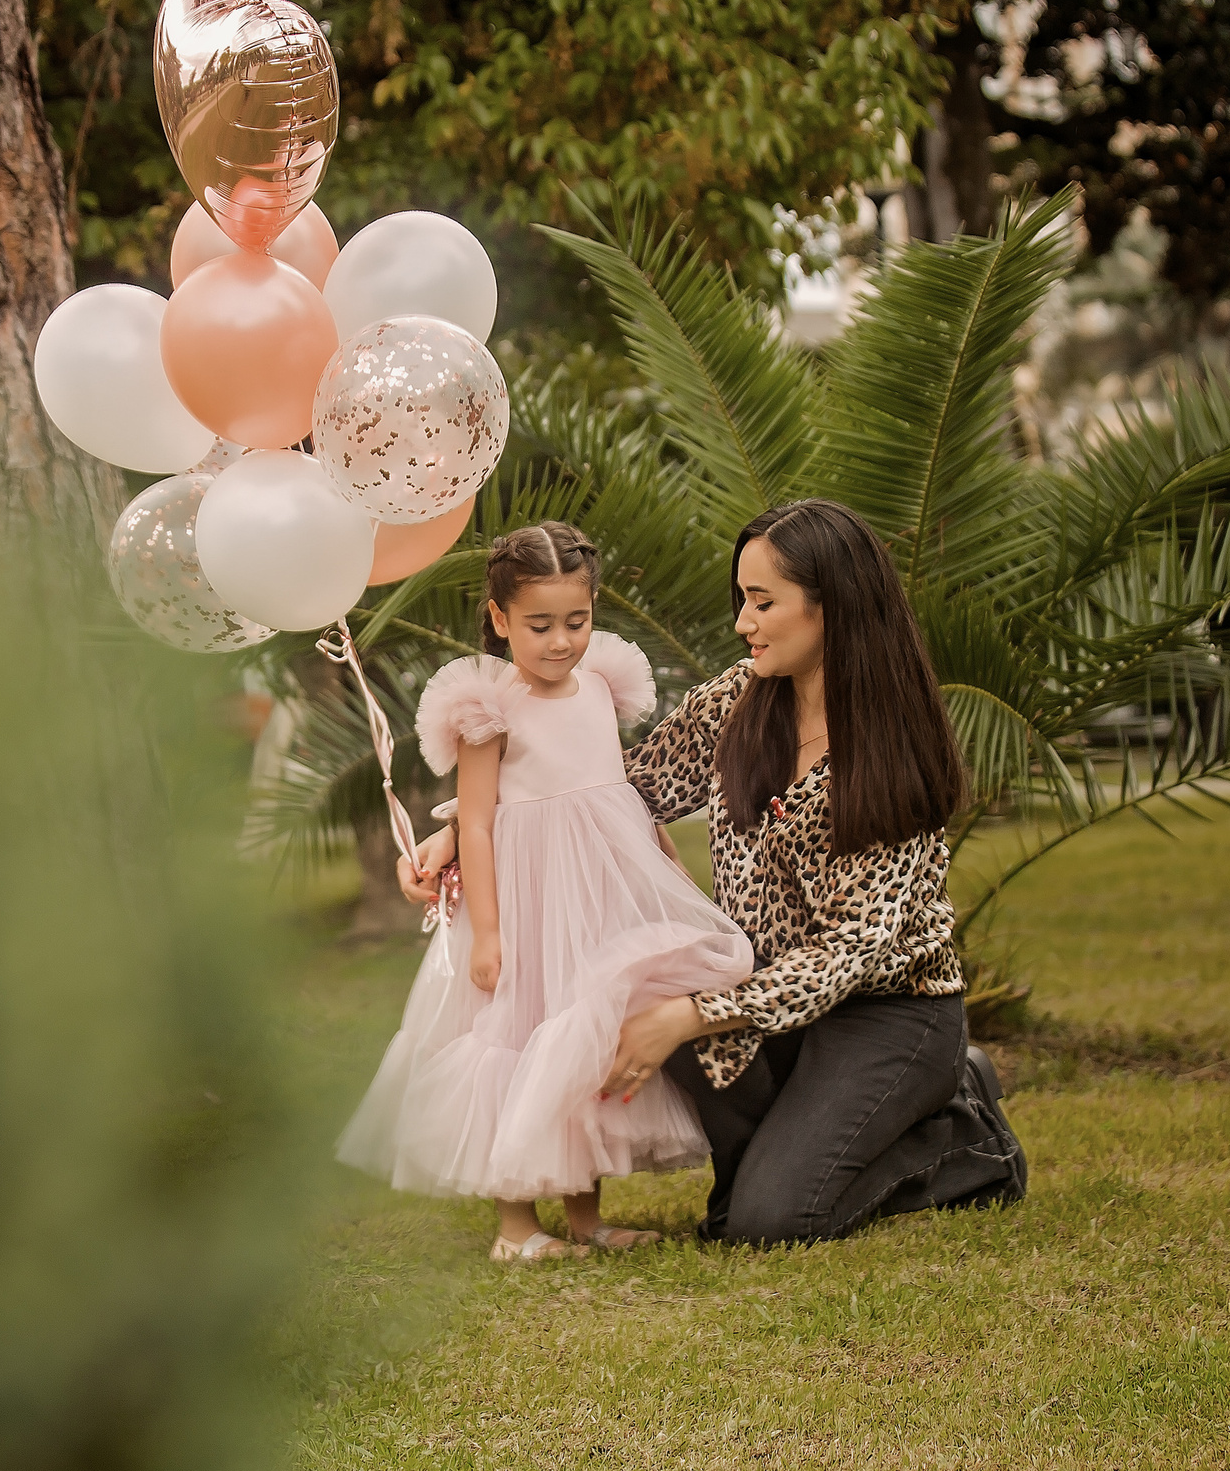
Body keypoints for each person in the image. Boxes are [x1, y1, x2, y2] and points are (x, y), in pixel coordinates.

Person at [401, 500, 1025, 1245]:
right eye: (742, 599)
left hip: (884, 1011)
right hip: (757, 997)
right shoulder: (739, 698)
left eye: (762, 602)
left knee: (771, 1220)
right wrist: (458, 834)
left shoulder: (887, 755)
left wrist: (689, 1015)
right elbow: (615, 789)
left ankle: (964, 1133)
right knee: (731, 1213)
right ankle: (787, 1151)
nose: (742, 622)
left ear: (833, 606)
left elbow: (848, 953)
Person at [337, 524, 755, 1262]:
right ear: (500, 619)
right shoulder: (489, 708)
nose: (561, 642)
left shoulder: (600, 687)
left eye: (577, 621)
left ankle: (587, 1217)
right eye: (539, 625)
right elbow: (477, 823)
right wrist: (490, 930)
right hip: (524, 900)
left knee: (582, 1038)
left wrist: (662, 861)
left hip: (593, 896)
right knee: (517, 1036)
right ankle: (515, 1226)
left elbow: (619, 793)